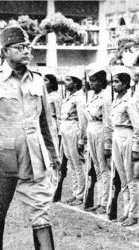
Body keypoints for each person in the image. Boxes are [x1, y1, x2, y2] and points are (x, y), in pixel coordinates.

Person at [0, 24, 59, 250]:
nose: (26, 51)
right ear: (5, 51)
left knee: (41, 212)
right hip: (0, 157)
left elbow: (46, 122)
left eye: (28, 47)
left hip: (34, 156)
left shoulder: (38, 79)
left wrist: (54, 155)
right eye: (20, 47)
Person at [104, 65, 139, 226]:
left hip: (128, 136)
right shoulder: (116, 100)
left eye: (117, 82)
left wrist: (136, 148)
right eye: (112, 82)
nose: (114, 85)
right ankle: (127, 211)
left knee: (132, 178)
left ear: (125, 84)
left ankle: (134, 214)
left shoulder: (131, 101)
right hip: (117, 136)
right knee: (122, 178)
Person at [83, 65, 111, 214]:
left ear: (101, 82)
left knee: (104, 168)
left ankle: (105, 202)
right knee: (96, 167)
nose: (91, 84)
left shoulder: (106, 97)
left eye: (94, 81)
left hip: (100, 129)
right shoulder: (91, 96)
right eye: (90, 81)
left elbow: (107, 121)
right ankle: (100, 200)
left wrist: (108, 143)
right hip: (91, 129)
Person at [59, 69, 86, 206]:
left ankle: (80, 195)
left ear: (76, 83)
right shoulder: (69, 96)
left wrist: (82, 139)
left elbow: (82, 119)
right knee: (71, 163)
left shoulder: (79, 98)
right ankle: (76, 192)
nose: (65, 82)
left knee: (77, 163)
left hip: (74, 129)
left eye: (68, 80)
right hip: (66, 128)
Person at [44, 72, 62, 156]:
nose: (42, 83)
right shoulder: (42, 95)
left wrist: (60, 132)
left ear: (51, 83)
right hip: (43, 123)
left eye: (45, 80)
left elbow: (59, 114)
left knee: (53, 145)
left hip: (52, 123)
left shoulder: (56, 96)